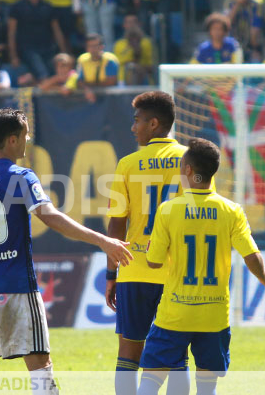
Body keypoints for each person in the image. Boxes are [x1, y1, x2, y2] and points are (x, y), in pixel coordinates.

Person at [0, 108, 133, 395]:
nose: (28, 141)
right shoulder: (21, 176)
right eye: (26, 135)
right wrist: (103, 241)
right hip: (17, 285)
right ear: (13, 139)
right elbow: (50, 216)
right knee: (40, 362)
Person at [137, 138, 265, 395]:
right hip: (214, 315)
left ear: (189, 170)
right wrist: (264, 276)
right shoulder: (231, 210)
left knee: (151, 378)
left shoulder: (168, 210)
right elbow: (251, 255)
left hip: (175, 313)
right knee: (207, 386)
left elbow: (154, 262)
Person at [106, 91, 200, 395]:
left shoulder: (127, 164)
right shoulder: (190, 161)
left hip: (135, 271)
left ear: (155, 123)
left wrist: (111, 275)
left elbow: (116, 223)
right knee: (176, 356)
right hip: (177, 274)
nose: (133, 128)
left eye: (137, 121)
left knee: (128, 354)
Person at [8, 0, 67, 82]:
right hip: (27, 49)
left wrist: (64, 51)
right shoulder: (17, 7)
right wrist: (13, 56)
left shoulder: (48, 6)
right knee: (42, 75)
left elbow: (57, 31)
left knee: (54, 74)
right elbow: (11, 33)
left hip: (48, 48)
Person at [76, 33, 119, 102]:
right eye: (90, 46)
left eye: (95, 46)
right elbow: (79, 81)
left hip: (110, 100)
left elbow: (111, 82)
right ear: (86, 48)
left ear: (102, 46)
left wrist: (90, 87)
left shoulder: (110, 60)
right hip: (89, 98)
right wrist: (87, 89)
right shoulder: (82, 59)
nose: (93, 49)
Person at [113, 14, 154, 85]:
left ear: (139, 24)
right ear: (124, 25)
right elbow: (120, 64)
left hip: (144, 81)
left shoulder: (147, 42)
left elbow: (151, 66)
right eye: (128, 22)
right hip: (123, 81)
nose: (131, 25)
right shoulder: (119, 44)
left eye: (133, 22)